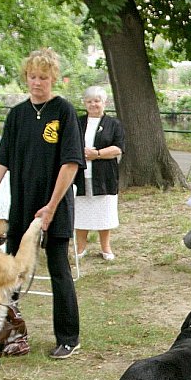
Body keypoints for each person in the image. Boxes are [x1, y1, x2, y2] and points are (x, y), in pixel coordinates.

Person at [0, 48, 84, 360]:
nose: (37, 83)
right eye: (32, 77)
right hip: (21, 206)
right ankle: (5, 332)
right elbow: (0, 160)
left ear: (54, 79)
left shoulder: (64, 111)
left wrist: (51, 205)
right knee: (12, 272)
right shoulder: (17, 115)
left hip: (54, 206)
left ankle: (68, 338)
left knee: (59, 268)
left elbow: (70, 163)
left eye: (43, 78)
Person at [74, 86, 124, 261]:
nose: (93, 104)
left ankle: (106, 247)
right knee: (80, 210)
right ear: (85, 103)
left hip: (104, 175)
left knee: (104, 212)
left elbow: (118, 148)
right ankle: (80, 248)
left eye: (97, 101)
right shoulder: (77, 122)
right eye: (89, 101)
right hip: (80, 175)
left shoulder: (114, 124)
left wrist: (97, 154)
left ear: (104, 103)